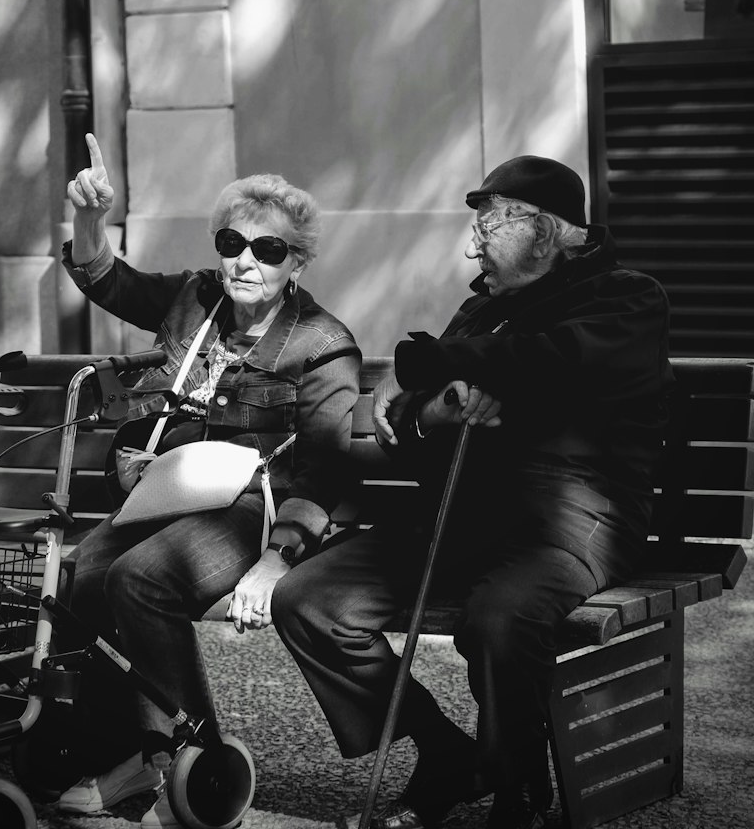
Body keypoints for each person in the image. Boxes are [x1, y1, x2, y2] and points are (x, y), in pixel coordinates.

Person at [272, 155, 674, 829]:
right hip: (464, 518)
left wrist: (453, 366)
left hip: (574, 519)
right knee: (310, 600)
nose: (471, 246)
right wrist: (440, 408)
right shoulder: (479, 311)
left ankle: (520, 786)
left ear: (541, 233)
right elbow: (402, 415)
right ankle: (448, 754)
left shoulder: (628, 297)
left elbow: (567, 361)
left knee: (498, 621)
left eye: (487, 231)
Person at [55, 134, 362, 827]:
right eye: (233, 242)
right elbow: (108, 279)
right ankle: (125, 756)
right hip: (171, 492)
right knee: (80, 577)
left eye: (270, 250)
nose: (246, 260)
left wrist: (278, 559)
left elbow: (325, 466)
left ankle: (199, 757)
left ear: (298, 261)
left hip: (253, 509)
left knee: (139, 579)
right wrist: (88, 219)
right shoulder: (194, 300)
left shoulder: (322, 343)